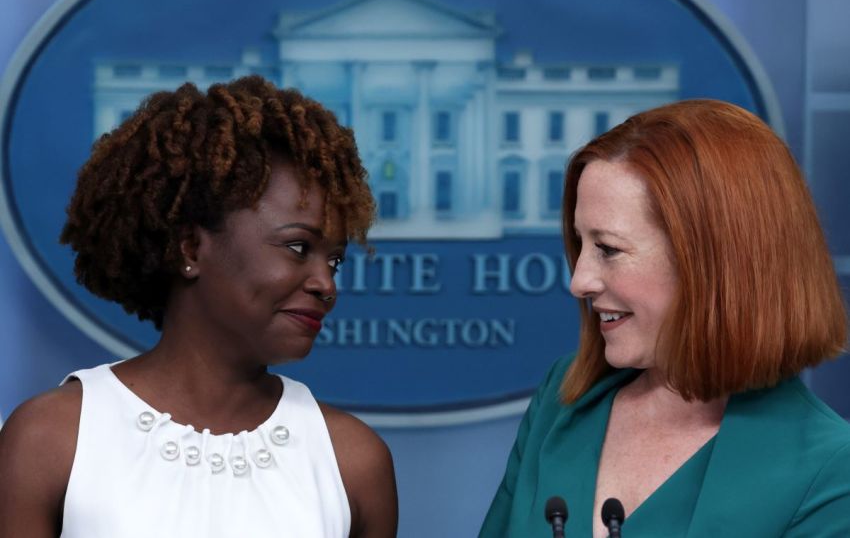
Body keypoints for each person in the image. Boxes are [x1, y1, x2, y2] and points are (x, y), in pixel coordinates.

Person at [0, 76, 398, 538]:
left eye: (334, 260)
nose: (326, 284)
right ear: (190, 247)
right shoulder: (50, 438)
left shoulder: (353, 462)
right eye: (296, 247)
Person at [479, 99, 850, 537]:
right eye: (581, 245)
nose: (579, 282)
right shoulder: (562, 400)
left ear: (716, 261)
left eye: (609, 249)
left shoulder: (830, 473)